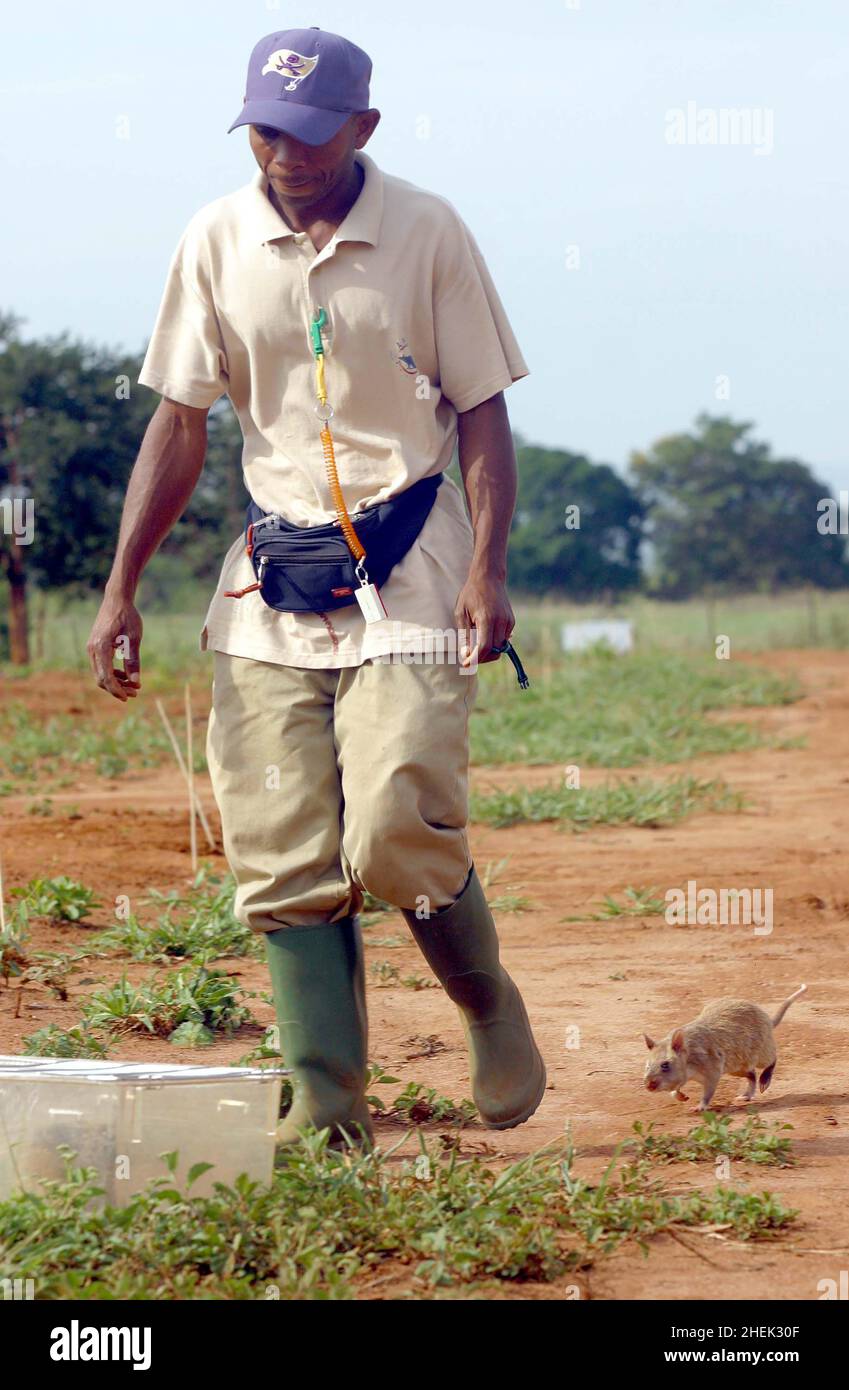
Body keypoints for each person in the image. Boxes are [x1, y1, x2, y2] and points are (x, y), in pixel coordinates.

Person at [88, 26, 545, 1145]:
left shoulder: (428, 232)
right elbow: (180, 420)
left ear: (362, 128)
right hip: (272, 574)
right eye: (261, 130)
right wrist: (119, 587)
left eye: (302, 133)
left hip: (414, 559)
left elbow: (482, 408)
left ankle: (487, 1002)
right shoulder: (216, 237)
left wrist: (486, 569)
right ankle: (330, 1112)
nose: (280, 154)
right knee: (284, 852)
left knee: (394, 823)